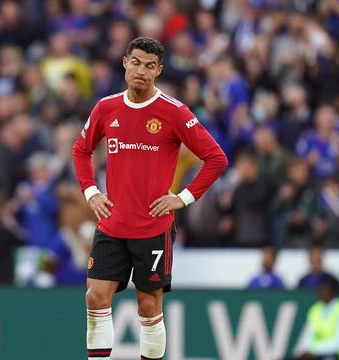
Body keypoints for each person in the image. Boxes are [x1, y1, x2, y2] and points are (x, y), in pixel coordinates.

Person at [72, 37, 228, 360]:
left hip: (152, 228)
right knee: (95, 297)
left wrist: (183, 198)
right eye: (136, 63)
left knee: (148, 305)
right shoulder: (106, 108)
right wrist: (91, 192)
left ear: (159, 70)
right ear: (125, 64)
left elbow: (216, 158)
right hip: (112, 224)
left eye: (149, 66)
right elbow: (81, 150)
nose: (141, 71)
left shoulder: (173, 112)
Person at [294, 274, 339, 360]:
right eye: (320, 289)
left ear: (333, 291)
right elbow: (306, 337)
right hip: (314, 356)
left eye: (324, 289)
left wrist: (314, 351)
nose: (321, 292)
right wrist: (304, 351)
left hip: (336, 356)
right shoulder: (315, 309)